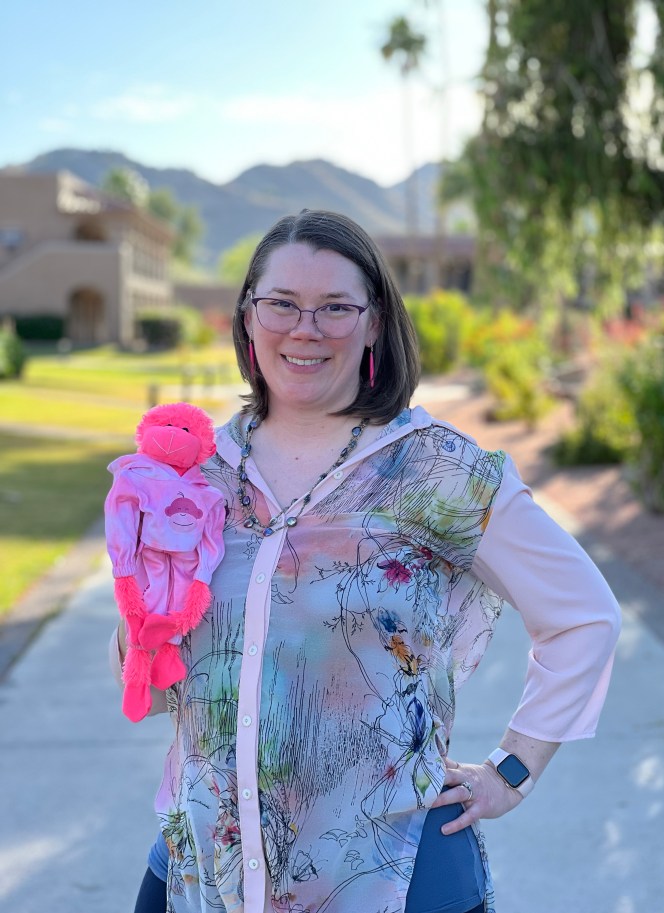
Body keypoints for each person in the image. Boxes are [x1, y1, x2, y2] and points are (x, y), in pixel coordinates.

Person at [110, 209, 621, 913]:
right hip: (204, 869)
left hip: (394, 875)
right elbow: (153, 672)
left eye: (335, 307)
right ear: (248, 315)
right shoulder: (194, 476)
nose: (304, 327)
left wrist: (511, 768)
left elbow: (583, 616)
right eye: (281, 302)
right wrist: (143, 611)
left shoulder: (438, 470)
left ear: (374, 320)